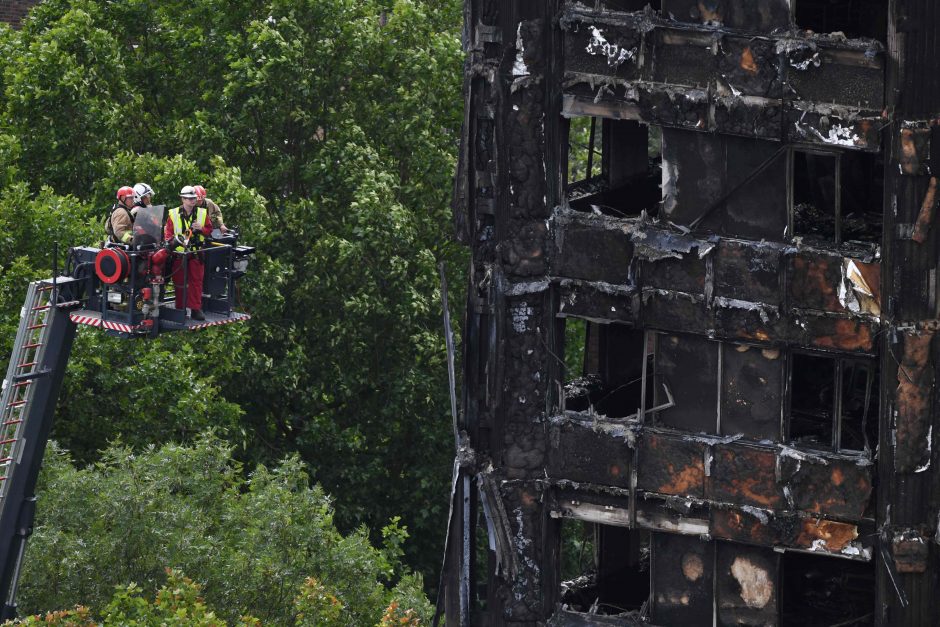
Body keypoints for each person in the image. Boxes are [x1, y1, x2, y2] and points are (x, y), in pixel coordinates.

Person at [165, 185, 212, 320]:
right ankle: (180, 309)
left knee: (196, 282)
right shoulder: (173, 214)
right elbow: (168, 234)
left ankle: (195, 309)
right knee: (179, 282)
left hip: (196, 254)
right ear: (182, 199)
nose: (192, 201)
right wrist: (172, 243)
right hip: (179, 255)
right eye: (189, 198)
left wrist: (201, 229)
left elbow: (209, 230)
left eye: (194, 198)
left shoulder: (202, 213)